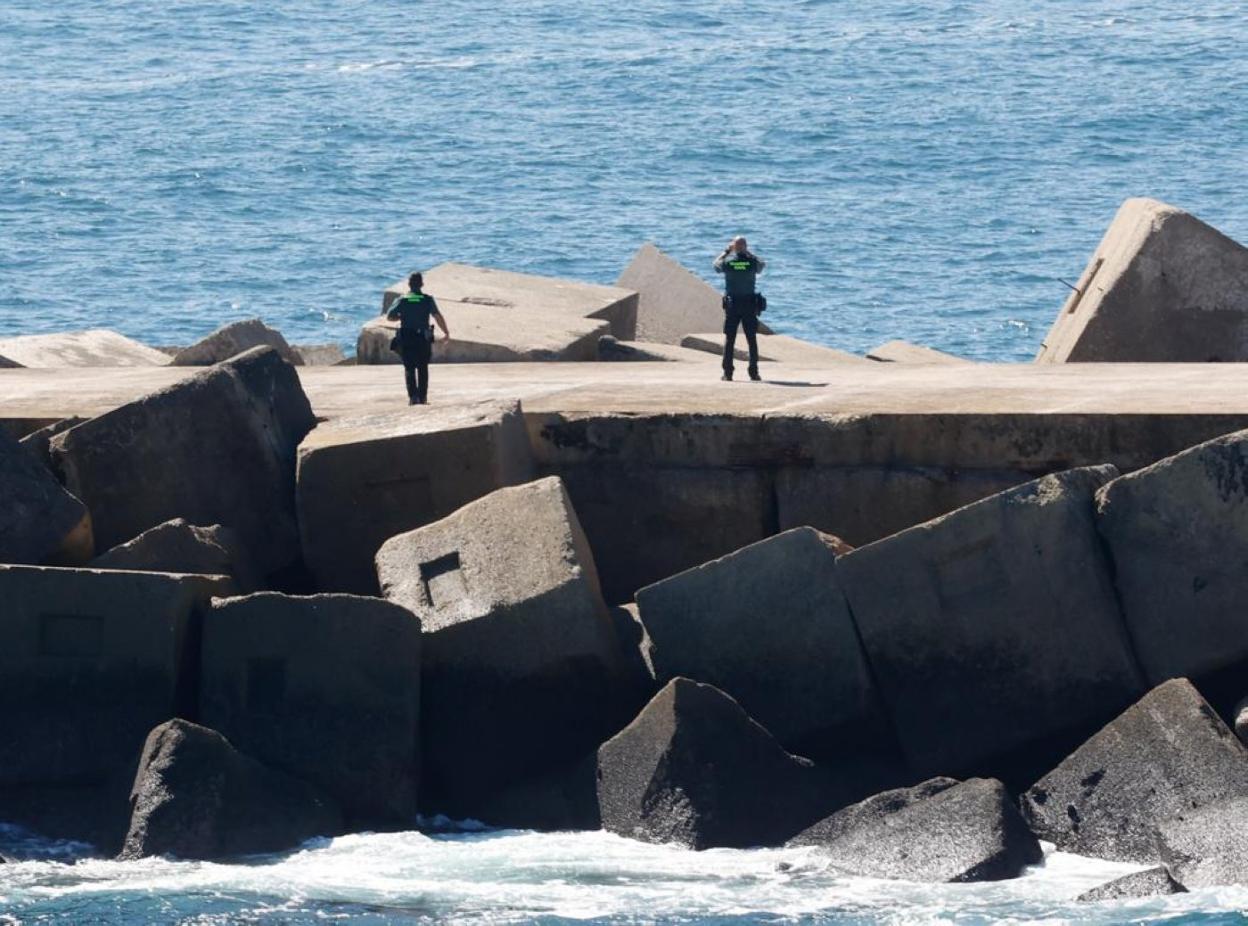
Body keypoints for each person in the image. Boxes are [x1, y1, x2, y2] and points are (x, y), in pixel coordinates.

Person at [386, 272, 450, 405]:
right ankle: (422, 397)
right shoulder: (427, 299)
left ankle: (413, 397)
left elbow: (390, 316)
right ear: (421, 284)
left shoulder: (402, 299)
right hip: (423, 337)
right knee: (423, 367)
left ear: (409, 284)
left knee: (409, 367)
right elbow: (437, 316)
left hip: (407, 337)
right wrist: (446, 332)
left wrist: (400, 317)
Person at [713, 236, 766, 381]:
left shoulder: (728, 262)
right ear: (745, 246)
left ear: (734, 247)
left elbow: (716, 265)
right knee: (751, 339)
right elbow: (762, 264)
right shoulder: (752, 262)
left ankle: (728, 373)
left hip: (733, 305)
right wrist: (749, 253)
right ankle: (753, 373)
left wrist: (726, 251)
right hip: (749, 304)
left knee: (730, 339)